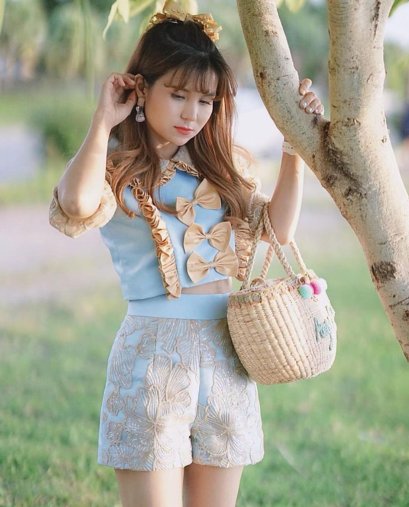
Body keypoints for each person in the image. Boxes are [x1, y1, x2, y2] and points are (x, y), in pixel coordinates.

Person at [49, 1, 323, 506]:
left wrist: (294, 145)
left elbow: (278, 230)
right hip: (150, 359)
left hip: (227, 358)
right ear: (140, 88)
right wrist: (102, 121)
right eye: (177, 96)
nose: (192, 115)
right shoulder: (113, 165)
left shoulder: (224, 165)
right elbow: (76, 204)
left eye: (206, 101)